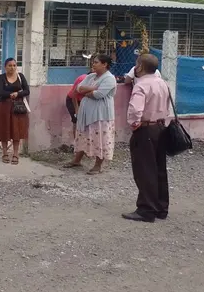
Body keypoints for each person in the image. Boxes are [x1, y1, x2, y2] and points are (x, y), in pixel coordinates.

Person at [123, 53, 171, 223]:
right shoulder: (162, 83)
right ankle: (161, 208)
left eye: (137, 64)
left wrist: (134, 124)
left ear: (141, 67)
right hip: (160, 127)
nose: (135, 67)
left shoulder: (142, 85)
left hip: (145, 129)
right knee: (159, 169)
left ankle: (146, 209)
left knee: (144, 169)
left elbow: (136, 110)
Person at [64, 54, 117, 175]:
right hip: (86, 112)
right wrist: (93, 89)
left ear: (105, 64)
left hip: (101, 114)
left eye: (96, 62)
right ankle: (76, 160)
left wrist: (87, 91)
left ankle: (98, 166)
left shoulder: (109, 78)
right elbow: (78, 89)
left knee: (100, 139)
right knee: (83, 135)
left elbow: (99, 95)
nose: (93, 64)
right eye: (93, 62)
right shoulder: (92, 76)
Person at [0, 58, 30, 165]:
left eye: (14, 65)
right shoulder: (1, 78)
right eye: (10, 65)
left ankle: (15, 154)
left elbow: (27, 90)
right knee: (4, 128)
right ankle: (4, 153)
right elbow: (0, 92)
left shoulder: (21, 76)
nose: (12, 67)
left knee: (17, 130)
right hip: (4, 107)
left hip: (17, 108)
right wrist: (11, 94)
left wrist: (18, 94)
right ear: (5, 67)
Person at [66, 67, 93, 139]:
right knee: (77, 121)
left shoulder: (98, 81)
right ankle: (76, 144)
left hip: (84, 101)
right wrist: (77, 109)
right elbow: (73, 95)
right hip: (73, 100)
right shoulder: (83, 79)